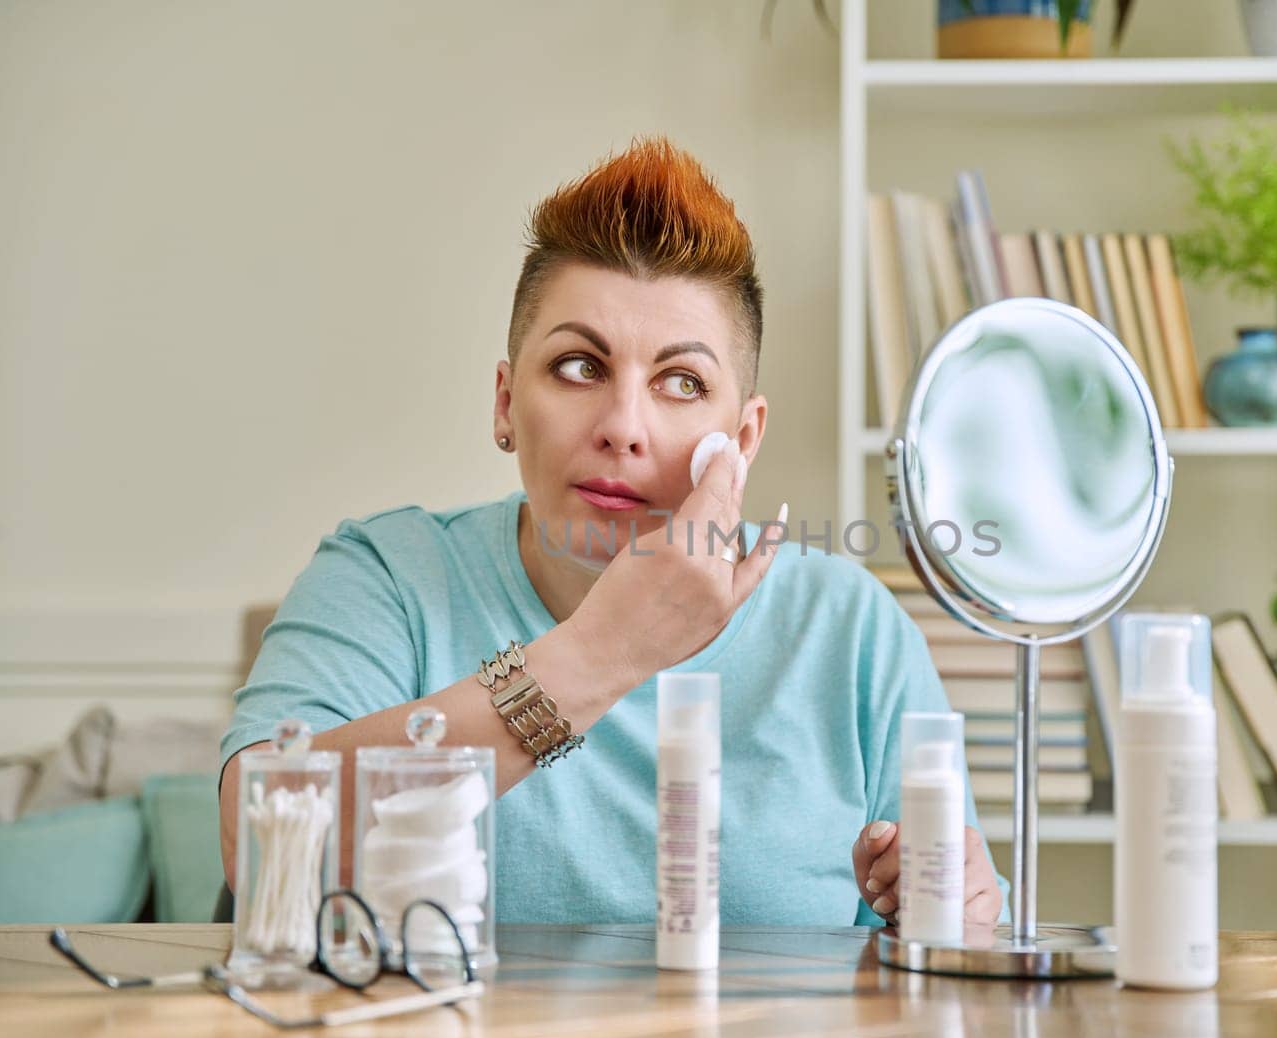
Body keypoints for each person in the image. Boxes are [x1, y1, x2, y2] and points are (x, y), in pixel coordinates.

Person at [219, 137, 1007, 927]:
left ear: (744, 438)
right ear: (504, 401)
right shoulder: (386, 574)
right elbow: (257, 847)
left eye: (681, 382)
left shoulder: (851, 631)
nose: (623, 428)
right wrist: (603, 652)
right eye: (579, 367)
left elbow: (957, 935)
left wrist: (957, 908)